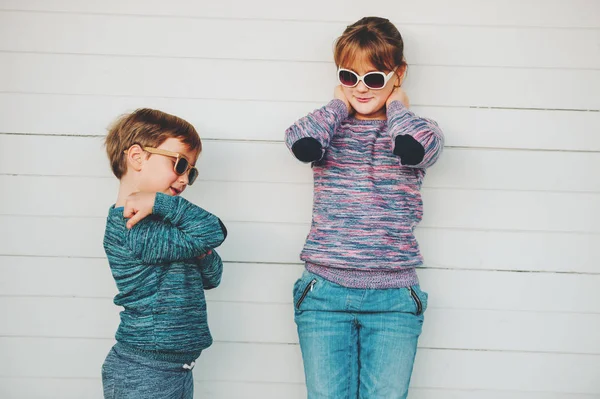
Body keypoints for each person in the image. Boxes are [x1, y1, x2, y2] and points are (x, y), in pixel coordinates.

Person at [285, 16, 444, 398]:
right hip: (324, 293)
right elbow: (300, 142)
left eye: (374, 78)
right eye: (349, 76)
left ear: (398, 73)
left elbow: (415, 148)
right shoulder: (327, 128)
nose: (360, 88)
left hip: (392, 297)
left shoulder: (417, 128)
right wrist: (337, 107)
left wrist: (398, 108)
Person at [101, 108, 227, 398]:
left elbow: (213, 275)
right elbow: (214, 231)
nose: (184, 179)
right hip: (145, 371)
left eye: (191, 172)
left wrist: (196, 244)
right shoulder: (132, 228)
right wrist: (162, 203)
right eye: (180, 164)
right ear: (137, 157)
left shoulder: (166, 225)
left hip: (173, 368)